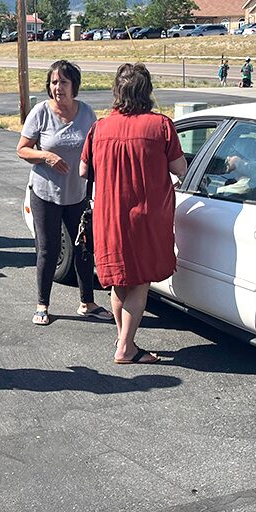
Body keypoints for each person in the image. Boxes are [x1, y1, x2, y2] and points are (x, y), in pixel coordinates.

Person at [79, 63, 187, 364]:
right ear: (146, 91)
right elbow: (180, 168)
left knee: (119, 280)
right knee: (139, 282)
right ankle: (126, 347)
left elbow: (83, 170)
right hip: (147, 216)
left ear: (117, 90)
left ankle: (124, 337)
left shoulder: (100, 128)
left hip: (109, 215)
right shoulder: (161, 126)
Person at [17, 60, 111, 326]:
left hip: (77, 194)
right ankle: (42, 305)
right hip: (45, 193)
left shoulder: (87, 113)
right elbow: (22, 149)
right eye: (54, 82)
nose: (57, 87)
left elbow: (95, 149)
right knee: (48, 250)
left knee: (83, 248)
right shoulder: (40, 113)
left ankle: (87, 302)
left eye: (64, 82)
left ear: (74, 86)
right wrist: (45, 156)